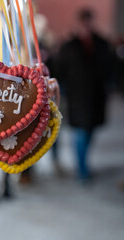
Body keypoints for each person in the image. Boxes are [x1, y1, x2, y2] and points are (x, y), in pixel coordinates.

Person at [57, 8, 113, 181]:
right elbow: (60, 71)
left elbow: (109, 69)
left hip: (96, 96)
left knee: (89, 132)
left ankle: (83, 164)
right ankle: (82, 169)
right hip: (77, 97)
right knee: (80, 134)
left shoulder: (102, 44)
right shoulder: (69, 46)